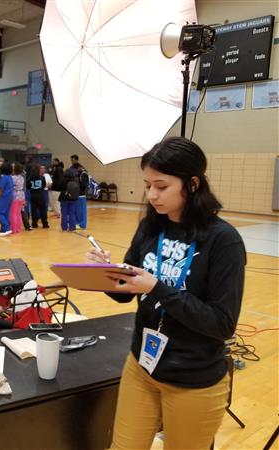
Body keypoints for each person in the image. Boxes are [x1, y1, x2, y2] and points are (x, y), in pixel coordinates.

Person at [85, 137, 246, 450]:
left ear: (192, 184)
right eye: (147, 185)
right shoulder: (150, 227)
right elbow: (125, 293)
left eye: (161, 186)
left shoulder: (223, 240)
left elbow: (222, 323)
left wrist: (157, 288)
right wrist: (107, 273)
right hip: (142, 366)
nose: (151, 195)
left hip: (193, 379)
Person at [70, 154, 89, 229]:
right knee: (77, 210)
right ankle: (77, 223)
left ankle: (82, 224)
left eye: (73, 160)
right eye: (71, 160)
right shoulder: (71, 168)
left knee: (82, 211)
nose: (72, 161)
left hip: (81, 194)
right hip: (75, 193)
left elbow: (84, 184)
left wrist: (78, 178)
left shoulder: (83, 171)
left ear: (77, 160)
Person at [27, 164, 49, 229]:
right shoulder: (42, 177)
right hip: (40, 195)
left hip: (33, 195)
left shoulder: (30, 178)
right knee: (43, 210)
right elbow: (44, 185)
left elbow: (28, 187)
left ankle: (34, 224)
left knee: (33, 211)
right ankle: (45, 224)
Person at [59, 167, 79, 231]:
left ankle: (64, 228)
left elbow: (59, 188)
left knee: (64, 214)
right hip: (73, 198)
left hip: (64, 198)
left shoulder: (62, 180)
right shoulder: (75, 180)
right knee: (72, 213)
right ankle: (72, 228)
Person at [0, 162, 13, 236]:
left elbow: (1, 189)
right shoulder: (10, 177)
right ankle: (3, 229)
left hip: (4, 196)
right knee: (6, 213)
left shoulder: (3, 178)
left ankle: (6, 228)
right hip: (10, 196)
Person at [10, 163, 25, 234]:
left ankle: (14, 228)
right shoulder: (21, 177)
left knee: (13, 213)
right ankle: (18, 228)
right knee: (18, 213)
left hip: (15, 195)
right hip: (21, 195)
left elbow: (10, 186)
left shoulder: (13, 178)